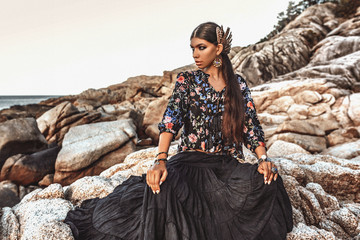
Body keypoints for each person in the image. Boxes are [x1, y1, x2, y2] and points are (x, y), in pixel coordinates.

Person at [64, 22, 293, 240]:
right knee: (163, 188)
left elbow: (250, 126)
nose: (195, 54)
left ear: (219, 49)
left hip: (226, 166)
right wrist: (160, 160)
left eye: (201, 47)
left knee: (269, 182)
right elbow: (171, 121)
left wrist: (263, 158)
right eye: (193, 48)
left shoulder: (238, 85)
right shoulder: (188, 81)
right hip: (188, 163)